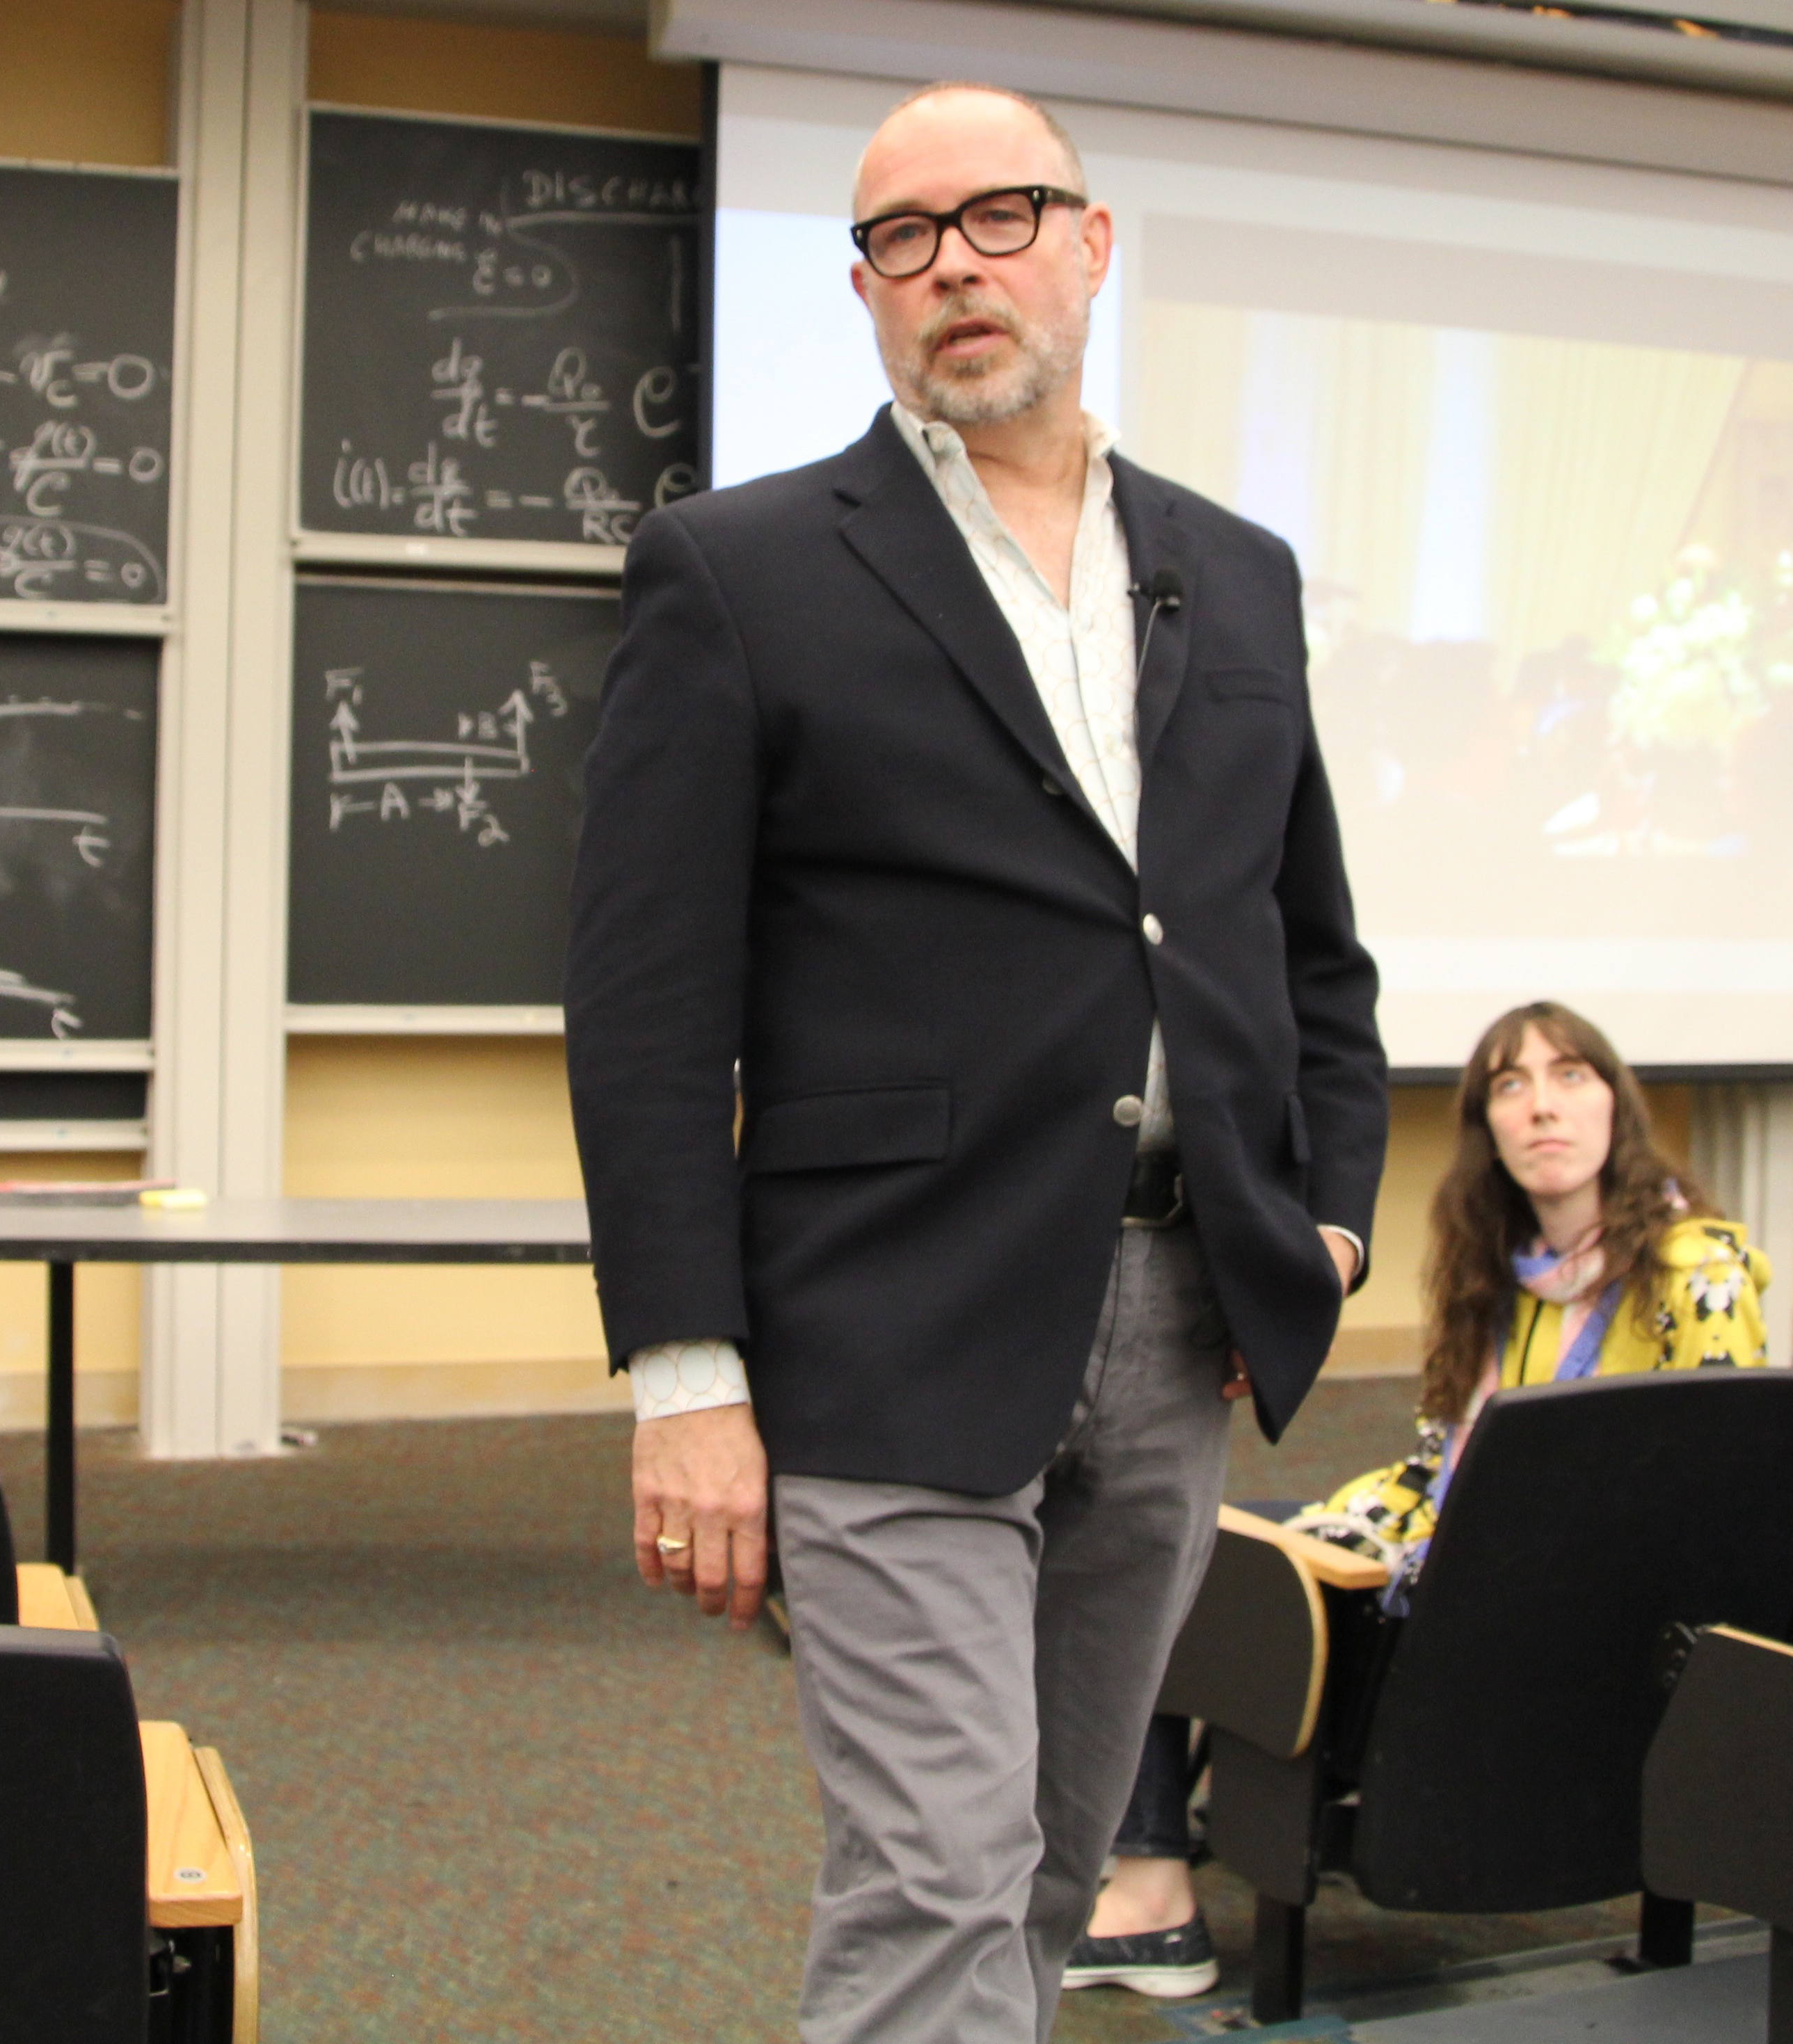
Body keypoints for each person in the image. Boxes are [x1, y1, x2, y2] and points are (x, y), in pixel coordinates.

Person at [565, 80, 1391, 2044]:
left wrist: (1330, 1211)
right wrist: (687, 1377)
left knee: (1046, 1857)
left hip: (1180, 1313)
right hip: (888, 1319)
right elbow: (650, 1003)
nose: (957, 265)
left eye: (1002, 215)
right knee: (932, 1874)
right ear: (864, 292)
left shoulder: (1238, 569)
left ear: (1091, 244)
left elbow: (1306, 939)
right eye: (903, 238)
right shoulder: (739, 568)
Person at [1074, 1000, 1771, 1995]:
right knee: (1197, 1542)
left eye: (1571, 1076)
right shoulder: (1495, 1269)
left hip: (1554, 1605)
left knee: (1238, 1578)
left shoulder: (1692, 1265)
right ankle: (1158, 1864)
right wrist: (1327, 1527)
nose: (1542, 1108)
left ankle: (1152, 1893)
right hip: (1444, 1549)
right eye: (1510, 1084)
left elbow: (1717, 1494)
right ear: (1487, 1126)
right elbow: (1433, 1463)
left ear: (1619, 1105)